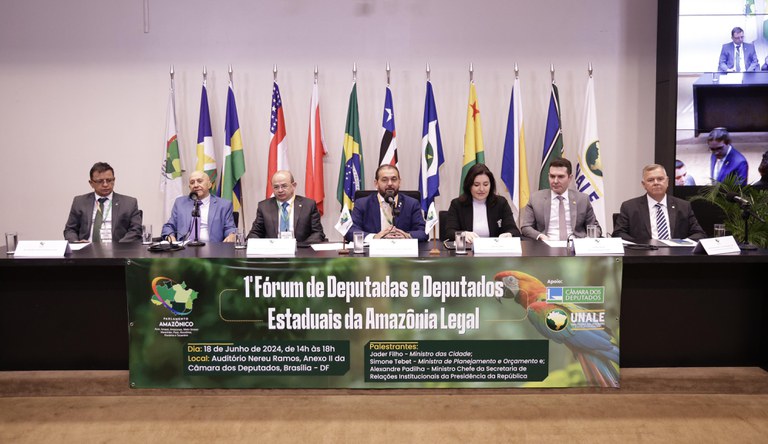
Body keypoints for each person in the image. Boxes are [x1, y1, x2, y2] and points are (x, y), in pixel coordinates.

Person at [613, 164, 706, 242]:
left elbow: (699, 234)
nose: (656, 183)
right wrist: (641, 245)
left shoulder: (683, 206)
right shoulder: (630, 207)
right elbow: (618, 234)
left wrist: (681, 243)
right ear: (644, 184)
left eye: (660, 179)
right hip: (643, 254)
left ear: (667, 181)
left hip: (676, 255)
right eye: (650, 180)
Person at [520, 157, 601, 240]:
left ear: (570, 178)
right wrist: (540, 236)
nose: (555, 181)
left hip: (576, 244)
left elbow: (594, 227)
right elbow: (526, 227)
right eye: (552, 176)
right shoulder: (535, 199)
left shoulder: (582, 199)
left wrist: (589, 240)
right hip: (546, 244)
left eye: (560, 177)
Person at [64, 162, 142, 243]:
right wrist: (76, 243)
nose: (105, 184)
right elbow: (70, 230)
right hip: (87, 248)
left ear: (114, 180)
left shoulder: (129, 203)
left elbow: (136, 231)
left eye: (109, 180)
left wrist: (118, 247)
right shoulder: (80, 202)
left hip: (118, 248)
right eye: (100, 181)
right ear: (91, 183)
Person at [346, 164, 427, 241]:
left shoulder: (412, 204)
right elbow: (350, 231)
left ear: (399, 182)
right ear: (376, 183)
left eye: (394, 179)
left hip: (402, 249)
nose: (390, 183)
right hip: (374, 250)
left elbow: (423, 232)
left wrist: (407, 235)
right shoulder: (362, 204)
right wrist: (374, 237)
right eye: (384, 180)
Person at [444, 163, 520, 242]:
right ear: (469, 185)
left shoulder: (501, 203)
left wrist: (509, 234)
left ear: (491, 185)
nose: (481, 189)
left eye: (485, 184)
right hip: (468, 249)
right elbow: (449, 233)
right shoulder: (457, 204)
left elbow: (514, 230)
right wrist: (463, 234)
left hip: (494, 249)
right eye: (476, 185)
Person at [248, 170, 326, 243]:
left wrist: (301, 247)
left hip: (300, 250)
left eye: (284, 186)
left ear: (293, 186)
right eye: (276, 187)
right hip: (273, 251)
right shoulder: (264, 207)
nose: (280, 190)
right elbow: (255, 233)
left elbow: (318, 233)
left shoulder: (308, 205)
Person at [161, 171, 236, 242]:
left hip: (212, 248)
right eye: (192, 182)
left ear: (209, 185)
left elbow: (229, 228)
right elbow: (169, 226)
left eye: (200, 181)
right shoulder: (180, 203)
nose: (196, 185)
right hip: (184, 247)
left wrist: (232, 235)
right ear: (189, 187)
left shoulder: (223, 205)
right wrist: (170, 236)